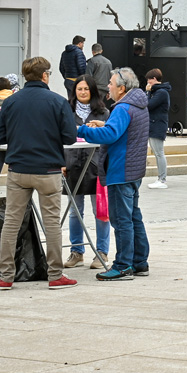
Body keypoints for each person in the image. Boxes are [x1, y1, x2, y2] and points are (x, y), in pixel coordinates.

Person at [0, 57, 78, 290]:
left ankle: (6, 276)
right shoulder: (57, 101)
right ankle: (55, 274)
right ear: (44, 76)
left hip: (18, 169)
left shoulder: (10, 102)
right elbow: (70, 137)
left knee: (11, 222)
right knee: (51, 223)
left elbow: (0, 137)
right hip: (48, 169)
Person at [77, 68, 151, 281]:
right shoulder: (138, 104)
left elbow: (110, 135)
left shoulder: (122, 107)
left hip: (121, 169)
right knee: (134, 217)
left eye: (110, 83)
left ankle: (123, 265)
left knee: (121, 220)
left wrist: (81, 130)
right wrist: (105, 124)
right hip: (134, 169)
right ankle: (139, 262)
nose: (107, 86)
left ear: (121, 88)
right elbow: (121, 130)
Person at [63, 76, 111, 269]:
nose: (82, 92)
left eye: (86, 89)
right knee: (75, 212)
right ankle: (77, 251)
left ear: (92, 91)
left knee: (100, 211)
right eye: (79, 89)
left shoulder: (103, 112)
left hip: (96, 165)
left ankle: (102, 252)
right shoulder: (66, 111)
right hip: (72, 164)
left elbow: (109, 137)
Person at [146, 69, 172, 189]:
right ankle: (161, 178)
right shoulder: (158, 92)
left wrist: (147, 93)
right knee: (158, 153)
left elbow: (148, 105)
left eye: (149, 80)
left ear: (155, 79)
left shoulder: (161, 93)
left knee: (159, 153)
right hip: (154, 124)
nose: (148, 82)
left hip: (157, 125)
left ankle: (162, 179)